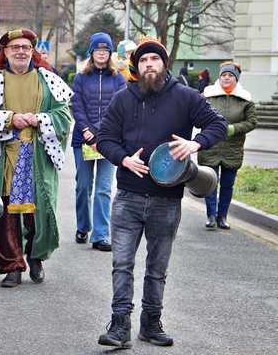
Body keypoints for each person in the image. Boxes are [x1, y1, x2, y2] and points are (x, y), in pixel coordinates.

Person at [96, 38, 227, 349]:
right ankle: (119, 325)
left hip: (166, 200)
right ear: (137, 67)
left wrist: (196, 143)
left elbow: (217, 125)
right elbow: (104, 138)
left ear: (164, 64)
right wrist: (123, 158)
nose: (149, 64)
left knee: (157, 268)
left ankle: (151, 323)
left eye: (155, 59)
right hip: (128, 196)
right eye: (143, 61)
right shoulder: (122, 99)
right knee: (122, 265)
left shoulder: (185, 97)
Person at [0, 28, 73, 287]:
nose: (20, 51)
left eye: (25, 47)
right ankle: (13, 266)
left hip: (38, 158)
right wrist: (8, 119)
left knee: (38, 213)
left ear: (32, 51)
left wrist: (40, 119)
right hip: (5, 158)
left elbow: (63, 116)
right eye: (15, 47)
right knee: (6, 215)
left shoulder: (47, 80)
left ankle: (36, 257)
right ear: (5, 52)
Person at [71, 32, 125, 252]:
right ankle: (83, 226)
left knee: (103, 189)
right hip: (83, 138)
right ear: (91, 53)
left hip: (109, 140)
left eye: (105, 50)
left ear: (110, 53)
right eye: (98, 50)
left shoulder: (118, 78)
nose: (102, 54)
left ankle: (101, 235)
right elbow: (77, 106)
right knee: (84, 186)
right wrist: (87, 131)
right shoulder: (80, 77)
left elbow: (120, 107)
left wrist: (101, 135)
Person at [199, 62, 257, 230]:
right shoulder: (207, 95)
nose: (226, 78)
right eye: (224, 75)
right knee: (210, 183)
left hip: (233, 149)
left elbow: (252, 121)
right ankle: (211, 216)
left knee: (227, 185)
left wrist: (233, 129)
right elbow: (197, 114)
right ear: (220, 77)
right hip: (211, 146)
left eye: (230, 75)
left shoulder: (245, 99)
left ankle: (222, 217)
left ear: (236, 79)